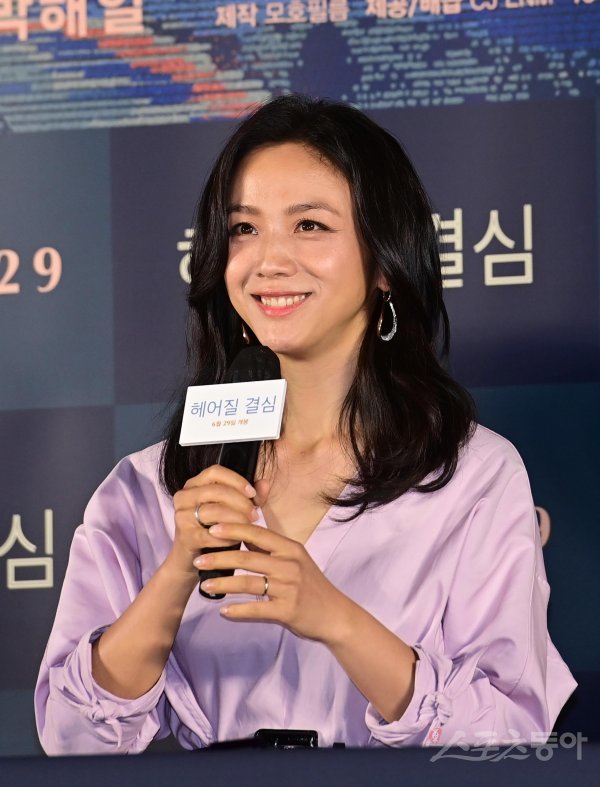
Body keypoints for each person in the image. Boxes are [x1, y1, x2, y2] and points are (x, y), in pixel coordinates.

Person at [35, 94, 576, 755]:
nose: (269, 260)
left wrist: (336, 618)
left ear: (385, 263)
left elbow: (511, 738)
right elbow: (71, 739)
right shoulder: (147, 486)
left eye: (310, 225)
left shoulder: (473, 476)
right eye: (244, 229)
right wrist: (177, 571)